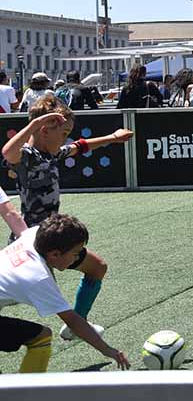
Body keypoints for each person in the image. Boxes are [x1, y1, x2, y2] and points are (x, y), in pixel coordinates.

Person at [2, 96, 135, 341]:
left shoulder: (50, 154)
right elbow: (8, 151)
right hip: (33, 242)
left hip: (55, 237)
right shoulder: (28, 156)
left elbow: (81, 147)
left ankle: (77, 324)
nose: (66, 139)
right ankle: (75, 325)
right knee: (18, 296)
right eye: (63, 133)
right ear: (44, 130)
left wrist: (112, 138)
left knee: (97, 268)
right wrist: (34, 123)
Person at [0, 214, 130, 372]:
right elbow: (73, 321)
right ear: (54, 254)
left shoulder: (34, 234)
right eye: (75, 254)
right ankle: (27, 393)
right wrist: (108, 350)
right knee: (41, 337)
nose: (76, 259)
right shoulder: (38, 278)